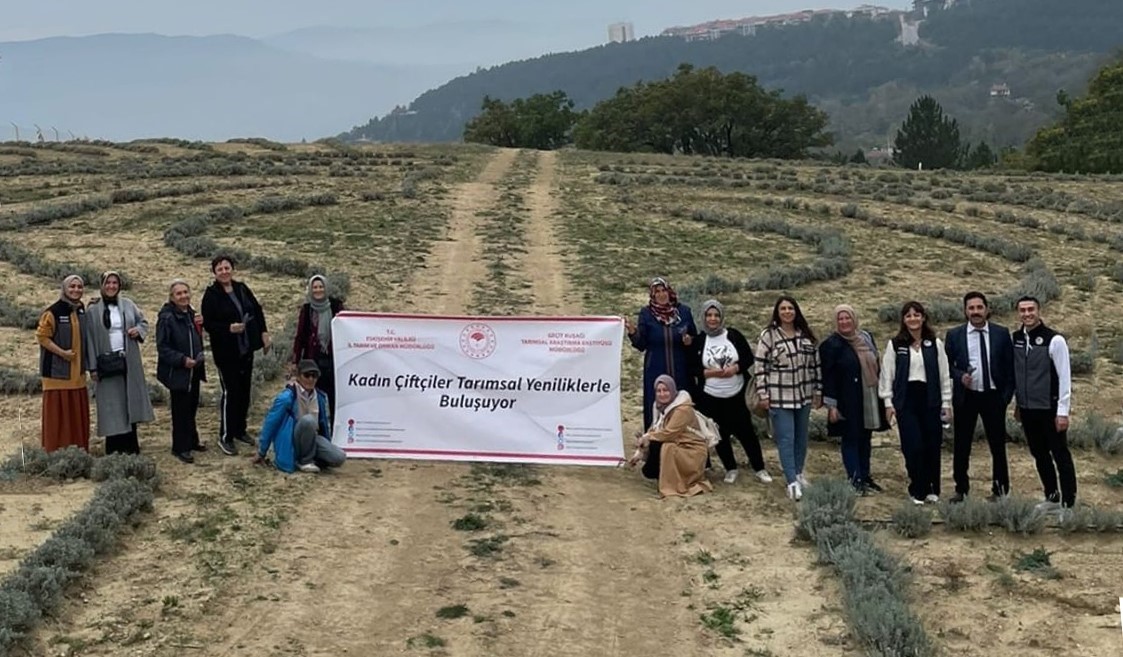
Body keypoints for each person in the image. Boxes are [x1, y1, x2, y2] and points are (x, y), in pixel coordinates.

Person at [689, 299, 772, 485]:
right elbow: (692, 368)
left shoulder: (733, 335)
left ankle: (759, 468)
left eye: (716, 315)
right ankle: (730, 468)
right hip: (710, 396)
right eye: (709, 315)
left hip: (737, 394)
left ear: (721, 317)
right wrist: (710, 372)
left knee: (747, 433)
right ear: (703, 317)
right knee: (720, 435)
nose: (713, 319)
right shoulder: (700, 340)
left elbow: (748, 358)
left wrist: (735, 369)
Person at [878, 301, 952, 505]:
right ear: (903, 319)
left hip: (931, 399)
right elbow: (887, 375)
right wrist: (887, 402)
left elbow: (944, 374)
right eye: (908, 315)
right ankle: (917, 488)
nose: (913, 319)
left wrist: (946, 402)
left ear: (923, 317)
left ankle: (932, 488)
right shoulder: (896, 344)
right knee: (913, 445)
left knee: (932, 444)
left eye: (916, 314)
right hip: (906, 400)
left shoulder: (934, 343)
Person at [944, 291, 1015, 503]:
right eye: (971, 308)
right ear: (965, 311)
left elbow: (1010, 367)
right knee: (962, 445)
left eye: (979, 307)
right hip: (967, 397)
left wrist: (1006, 397)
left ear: (987, 309)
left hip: (994, 397)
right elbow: (945, 365)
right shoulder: (955, 335)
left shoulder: (1001, 333)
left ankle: (1000, 490)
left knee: (997, 446)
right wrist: (959, 376)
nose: (975, 312)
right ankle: (961, 489)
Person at [201, 254, 271, 456]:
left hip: (246, 348)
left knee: (244, 391)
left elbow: (257, 311)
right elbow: (208, 323)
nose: (224, 272)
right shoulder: (211, 295)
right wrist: (228, 328)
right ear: (214, 273)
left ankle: (240, 429)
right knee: (230, 393)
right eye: (220, 269)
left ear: (233, 269)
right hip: (226, 353)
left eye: (227, 268)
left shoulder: (242, 288)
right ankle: (226, 436)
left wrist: (264, 333)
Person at [754, 296, 821, 501]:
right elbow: (760, 366)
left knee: (801, 438)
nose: (787, 312)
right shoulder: (769, 335)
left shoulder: (806, 336)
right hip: (779, 396)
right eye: (782, 308)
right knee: (786, 438)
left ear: (796, 311)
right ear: (777, 312)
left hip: (804, 394)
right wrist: (763, 394)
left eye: (790, 308)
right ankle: (791, 481)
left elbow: (815, 365)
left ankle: (799, 473)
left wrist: (818, 390)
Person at [1012, 296, 1076, 511]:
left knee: (1060, 455)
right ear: (1018, 313)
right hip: (1028, 410)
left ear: (1038, 311)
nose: (1027, 314)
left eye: (1031, 309)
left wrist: (1063, 411)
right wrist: (1019, 405)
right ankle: (1052, 496)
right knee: (1039, 454)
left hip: (1050, 409)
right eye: (1022, 310)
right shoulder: (1017, 338)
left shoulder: (1054, 340)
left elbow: (1064, 377)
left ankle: (1068, 503)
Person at [819, 304, 888, 494]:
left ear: (854, 319)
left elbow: (877, 363)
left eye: (847, 318)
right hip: (846, 400)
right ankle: (855, 479)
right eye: (840, 319)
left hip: (869, 395)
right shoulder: (831, 345)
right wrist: (831, 405)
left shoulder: (866, 337)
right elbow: (828, 377)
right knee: (850, 438)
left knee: (865, 437)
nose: (844, 322)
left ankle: (865, 476)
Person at [84, 271, 155, 455]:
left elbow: (143, 322)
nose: (112, 286)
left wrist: (137, 331)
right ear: (102, 285)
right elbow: (89, 340)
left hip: (128, 360)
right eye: (108, 283)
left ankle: (131, 449)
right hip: (106, 363)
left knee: (129, 401)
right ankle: (114, 450)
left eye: (115, 283)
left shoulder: (128, 304)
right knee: (111, 406)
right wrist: (92, 367)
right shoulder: (93, 310)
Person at [626, 277, 697, 432]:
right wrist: (632, 332)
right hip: (656, 370)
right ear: (652, 295)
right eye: (656, 292)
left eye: (663, 290)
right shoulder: (646, 314)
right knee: (656, 409)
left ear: (669, 291)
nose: (661, 294)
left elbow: (694, 338)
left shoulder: (684, 312)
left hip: (681, 370)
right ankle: (655, 451)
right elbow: (641, 344)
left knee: (682, 408)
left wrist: (689, 341)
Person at [252, 359, 347, 473]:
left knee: (339, 457)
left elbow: (324, 425)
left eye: (314, 375)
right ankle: (305, 461)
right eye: (306, 375)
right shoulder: (287, 397)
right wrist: (262, 451)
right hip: (291, 439)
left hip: (313, 438)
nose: (310, 379)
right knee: (308, 421)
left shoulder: (321, 397)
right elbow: (270, 422)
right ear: (298, 376)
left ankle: (312, 457)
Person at [631, 375, 712, 498]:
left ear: (673, 390)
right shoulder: (659, 406)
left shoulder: (682, 409)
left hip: (691, 450)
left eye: (666, 390)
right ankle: (662, 476)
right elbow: (654, 429)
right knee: (656, 446)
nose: (662, 394)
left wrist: (647, 437)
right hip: (678, 442)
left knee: (665, 446)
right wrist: (640, 452)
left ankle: (671, 483)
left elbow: (668, 433)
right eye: (659, 391)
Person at [35, 274, 91, 452]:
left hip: (77, 374)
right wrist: (62, 353)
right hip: (56, 373)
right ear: (64, 289)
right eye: (72, 287)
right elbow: (42, 337)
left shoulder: (81, 309)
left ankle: (79, 450)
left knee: (76, 414)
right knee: (58, 416)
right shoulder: (53, 312)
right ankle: (56, 451)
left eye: (79, 287)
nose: (76, 290)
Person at [156, 280, 208, 464]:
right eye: (178, 294)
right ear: (171, 297)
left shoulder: (191, 314)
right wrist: (182, 360)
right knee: (180, 410)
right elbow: (162, 347)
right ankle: (180, 447)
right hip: (178, 371)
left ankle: (192, 440)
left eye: (185, 292)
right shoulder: (167, 318)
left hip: (193, 370)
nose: (183, 296)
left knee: (191, 406)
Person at [290, 274, 344, 417]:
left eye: (321, 287)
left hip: (333, 359)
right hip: (312, 359)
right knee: (314, 395)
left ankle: (334, 426)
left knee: (333, 394)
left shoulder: (336, 306)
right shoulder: (307, 309)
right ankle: (317, 427)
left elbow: (346, 327)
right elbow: (300, 336)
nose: (318, 290)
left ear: (326, 288)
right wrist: (295, 361)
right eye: (314, 287)